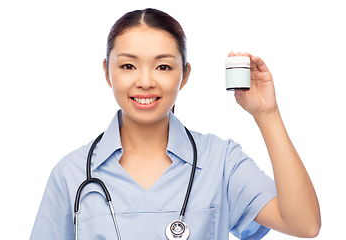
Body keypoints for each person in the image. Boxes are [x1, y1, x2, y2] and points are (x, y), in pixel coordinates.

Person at [30, 8, 321, 240]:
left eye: (163, 66)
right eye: (128, 66)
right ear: (107, 72)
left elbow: (304, 225)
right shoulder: (71, 174)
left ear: (185, 74)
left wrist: (267, 114)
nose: (145, 81)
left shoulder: (221, 161)